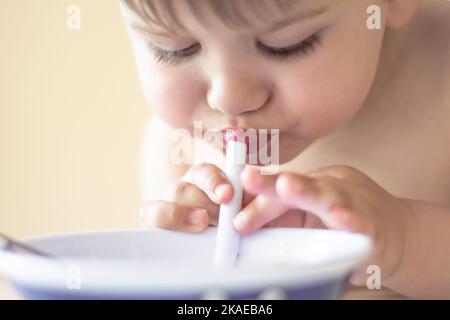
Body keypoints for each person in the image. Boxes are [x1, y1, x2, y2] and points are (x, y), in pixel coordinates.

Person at [120, 0, 450, 299]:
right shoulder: (179, 146)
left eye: (285, 46)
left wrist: (405, 242)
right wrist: (174, 263)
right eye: (174, 50)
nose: (228, 98)